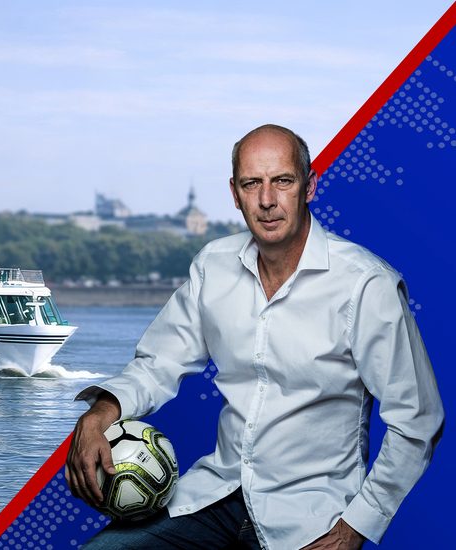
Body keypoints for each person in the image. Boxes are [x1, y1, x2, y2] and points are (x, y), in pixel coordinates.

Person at [66, 125, 444, 550]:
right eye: (252, 184)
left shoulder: (366, 285)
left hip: (311, 516)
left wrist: (354, 527)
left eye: (282, 181)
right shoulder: (213, 265)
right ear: (235, 192)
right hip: (215, 495)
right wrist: (101, 412)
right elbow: (158, 364)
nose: (267, 200)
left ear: (309, 186)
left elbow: (418, 420)